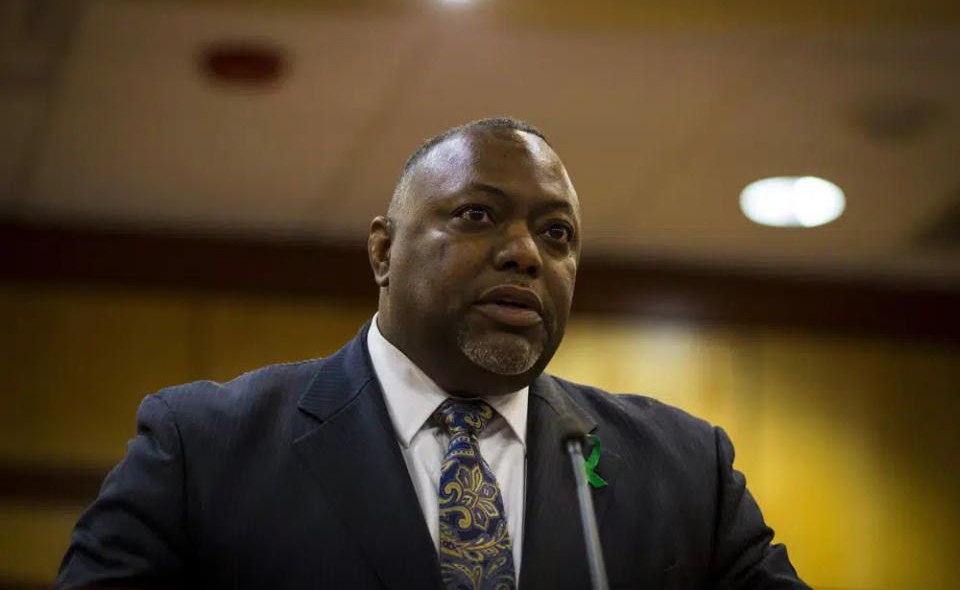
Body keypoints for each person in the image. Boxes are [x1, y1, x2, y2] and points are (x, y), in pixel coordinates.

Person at [56, 117, 810, 589]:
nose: (525, 254)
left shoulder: (683, 471)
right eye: (478, 215)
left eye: (557, 235)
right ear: (382, 251)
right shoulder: (206, 447)